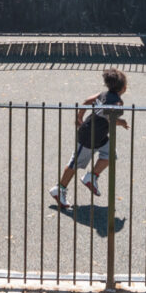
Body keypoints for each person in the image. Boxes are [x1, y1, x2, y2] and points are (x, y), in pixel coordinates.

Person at [49, 69, 129, 205]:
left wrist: (79, 117)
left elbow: (86, 101)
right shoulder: (117, 103)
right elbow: (111, 118)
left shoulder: (103, 94)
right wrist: (122, 123)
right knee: (75, 163)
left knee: (110, 155)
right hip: (89, 136)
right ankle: (59, 189)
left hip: (99, 135)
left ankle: (91, 177)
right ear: (124, 87)